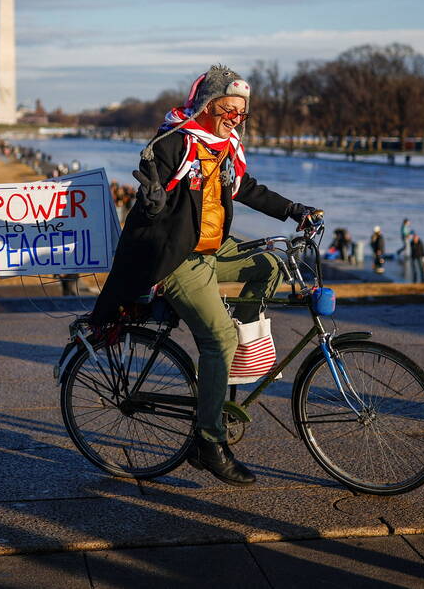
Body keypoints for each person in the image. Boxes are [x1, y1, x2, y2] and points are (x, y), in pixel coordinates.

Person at [87, 65, 318, 487]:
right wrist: (154, 201)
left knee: (268, 264)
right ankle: (207, 442)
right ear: (208, 106)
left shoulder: (224, 147)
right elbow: (152, 181)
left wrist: (294, 210)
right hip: (178, 256)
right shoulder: (175, 141)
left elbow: (245, 188)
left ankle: (238, 344)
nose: (235, 118)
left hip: (213, 249)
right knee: (218, 338)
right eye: (228, 109)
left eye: (241, 112)